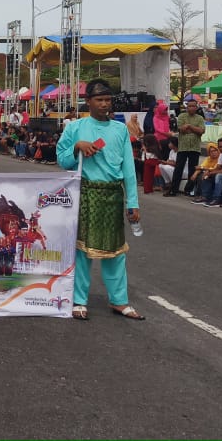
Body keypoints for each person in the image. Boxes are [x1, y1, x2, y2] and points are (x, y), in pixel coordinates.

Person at [55, 79, 144, 321]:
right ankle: (79, 300)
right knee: (82, 250)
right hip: (86, 193)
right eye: (100, 100)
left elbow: (128, 168)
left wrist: (132, 202)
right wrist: (76, 147)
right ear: (88, 101)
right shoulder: (76, 127)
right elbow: (62, 160)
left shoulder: (120, 129)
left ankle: (119, 301)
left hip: (113, 194)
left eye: (108, 100)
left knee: (116, 251)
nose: (105, 104)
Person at [164, 100, 205, 197]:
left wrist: (190, 126)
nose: (191, 108)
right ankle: (173, 190)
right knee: (178, 168)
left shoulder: (200, 118)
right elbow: (181, 129)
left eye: (193, 106)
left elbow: (201, 131)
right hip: (182, 147)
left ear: (196, 107)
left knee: (192, 169)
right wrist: (194, 129)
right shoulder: (182, 116)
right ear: (187, 107)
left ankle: (189, 189)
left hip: (195, 147)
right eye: (190, 106)